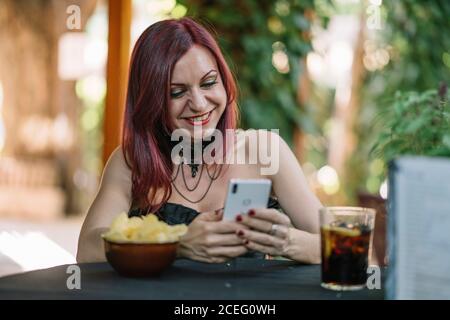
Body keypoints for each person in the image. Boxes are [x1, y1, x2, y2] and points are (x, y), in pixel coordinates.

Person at [77, 17, 322, 264]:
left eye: (209, 83)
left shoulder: (264, 150)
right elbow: (88, 250)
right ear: (151, 101)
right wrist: (177, 244)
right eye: (177, 92)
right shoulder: (130, 161)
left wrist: (283, 240)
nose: (199, 104)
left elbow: (339, 242)